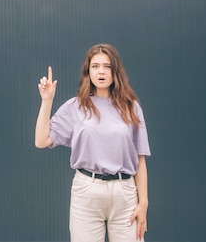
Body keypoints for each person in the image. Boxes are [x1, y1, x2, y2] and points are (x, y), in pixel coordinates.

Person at [34, 43, 151, 242]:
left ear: (116, 71)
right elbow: (41, 140)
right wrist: (47, 101)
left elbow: (140, 159)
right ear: (88, 71)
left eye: (107, 66)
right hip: (87, 190)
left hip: (125, 193)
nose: (101, 71)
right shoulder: (75, 106)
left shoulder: (131, 107)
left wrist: (144, 203)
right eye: (95, 66)